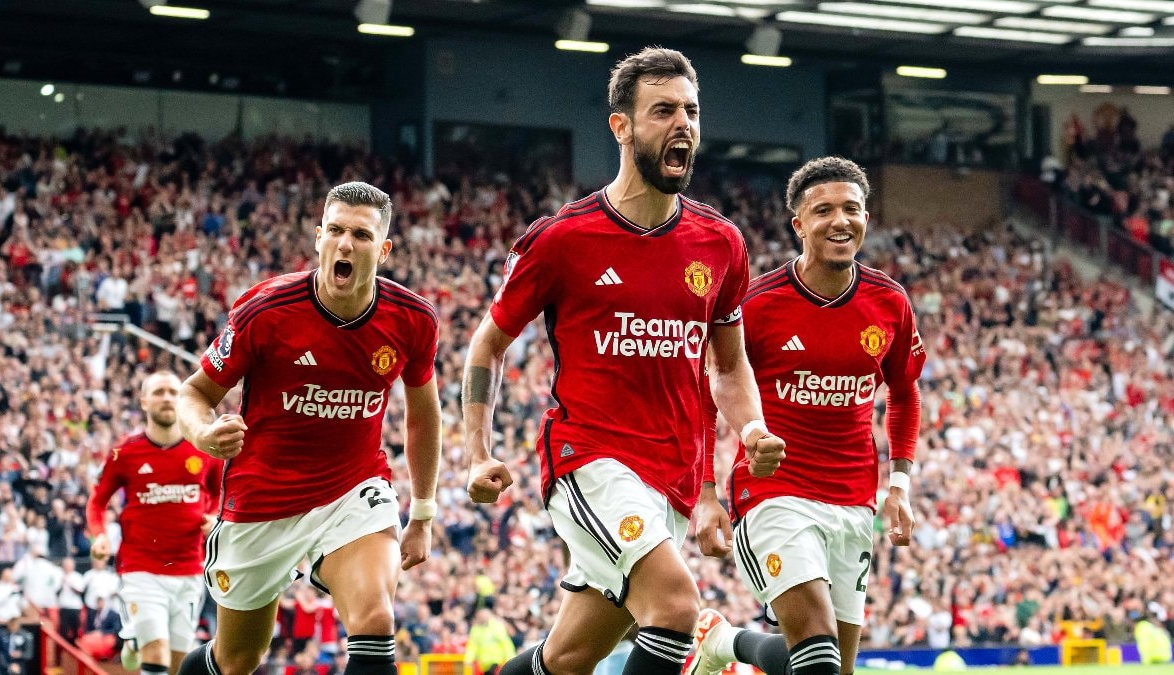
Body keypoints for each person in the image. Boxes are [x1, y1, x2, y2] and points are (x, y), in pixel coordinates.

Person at [464, 47, 784, 675]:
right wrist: (477, 452)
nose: (683, 124)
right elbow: (487, 345)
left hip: (671, 477)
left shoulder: (721, 244)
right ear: (621, 126)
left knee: (567, 657)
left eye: (691, 111)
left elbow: (727, 366)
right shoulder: (564, 239)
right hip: (590, 460)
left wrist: (750, 429)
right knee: (675, 606)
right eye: (663, 111)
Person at [176, 181, 442, 675]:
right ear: (319, 238)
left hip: (353, 492)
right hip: (262, 500)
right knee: (237, 659)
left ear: (383, 250)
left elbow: (424, 413)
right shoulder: (265, 310)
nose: (345, 244)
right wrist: (203, 435)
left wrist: (423, 513)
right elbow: (194, 394)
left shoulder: (413, 319)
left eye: (361, 235)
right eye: (336, 231)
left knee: (376, 619)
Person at [685, 157, 926, 675]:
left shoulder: (889, 302)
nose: (841, 220)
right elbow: (705, 393)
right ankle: (727, 644)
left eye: (851, 209)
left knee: (833, 667)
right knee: (817, 651)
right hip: (774, 494)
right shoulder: (757, 304)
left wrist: (900, 485)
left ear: (866, 218)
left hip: (854, 500)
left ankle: (723, 641)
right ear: (798, 224)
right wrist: (704, 492)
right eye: (824, 211)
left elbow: (905, 392)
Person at [86, 371, 224, 675]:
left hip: (189, 570)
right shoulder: (125, 452)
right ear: (144, 401)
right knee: (157, 652)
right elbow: (97, 501)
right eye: (159, 392)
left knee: (177, 665)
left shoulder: (204, 449)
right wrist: (99, 535)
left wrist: (213, 516)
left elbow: (219, 493)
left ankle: (131, 642)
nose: (167, 398)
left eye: (173, 392)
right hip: (141, 569)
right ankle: (138, 640)